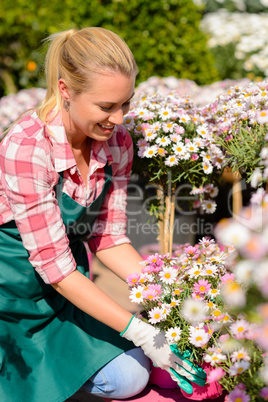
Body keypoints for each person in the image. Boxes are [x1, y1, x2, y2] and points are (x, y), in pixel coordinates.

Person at [0, 27, 206, 402]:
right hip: (12, 300)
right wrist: (144, 333)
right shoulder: (28, 147)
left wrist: (175, 296)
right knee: (131, 371)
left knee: (138, 371)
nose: (118, 118)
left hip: (68, 293)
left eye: (125, 103)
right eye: (106, 106)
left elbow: (108, 238)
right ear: (65, 90)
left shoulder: (117, 143)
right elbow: (55, 268)